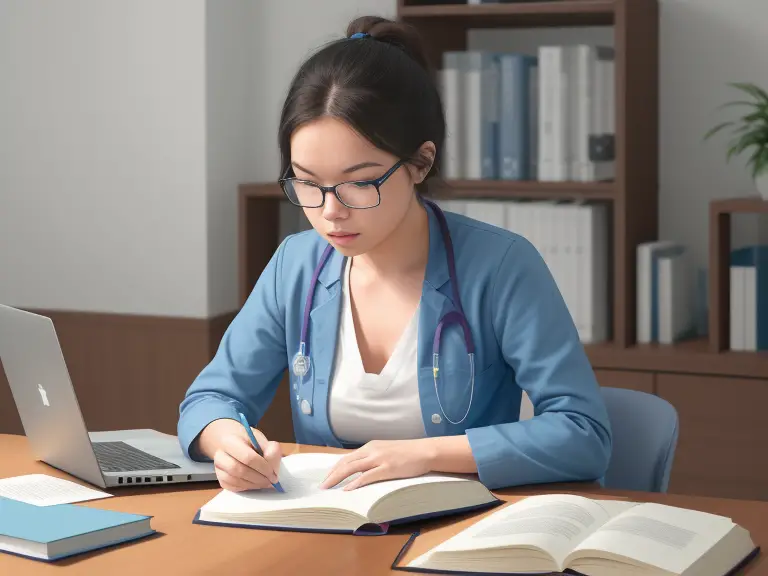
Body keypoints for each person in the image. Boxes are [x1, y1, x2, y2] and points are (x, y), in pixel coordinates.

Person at [177, 15, 612, 494]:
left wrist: (423, 455)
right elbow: (211, 397)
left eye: (360, 183)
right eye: (307, 183)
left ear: (421, 162)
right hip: (328, 529)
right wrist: (227, 442)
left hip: (458, 531)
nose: (330, 213)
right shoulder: (294, 266)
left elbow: (583, 433)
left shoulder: (501, 266)